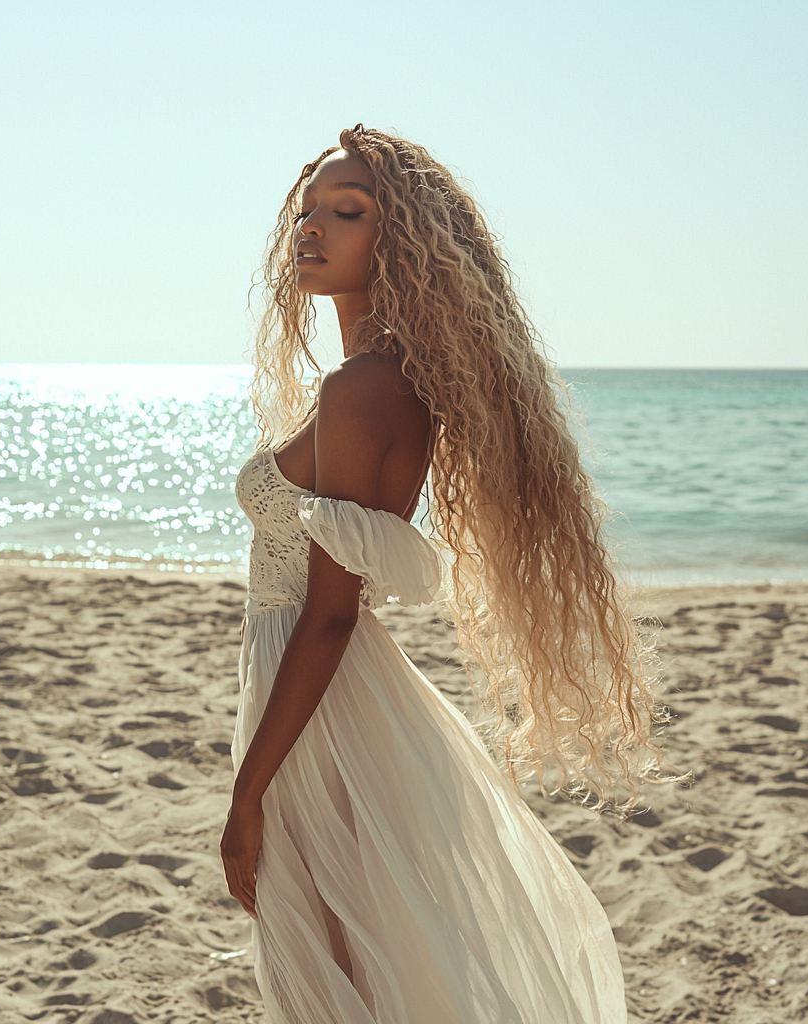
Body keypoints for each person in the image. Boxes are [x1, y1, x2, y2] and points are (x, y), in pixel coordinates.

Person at [220, 125, 668, 1024]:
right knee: (356, 957)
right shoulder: (377, 380)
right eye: (307, 211)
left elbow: (333, 612)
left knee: (341, 969)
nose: (312, 229)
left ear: (401, 242)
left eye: (346, 213)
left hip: (323, 699)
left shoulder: (365, 390)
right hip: (328, 693)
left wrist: (247, 795)